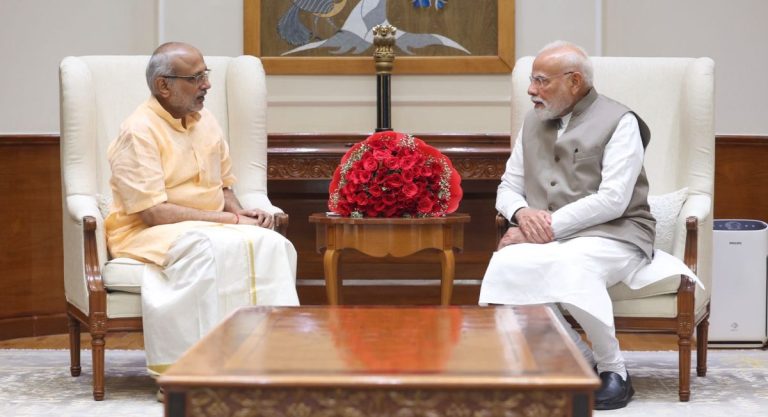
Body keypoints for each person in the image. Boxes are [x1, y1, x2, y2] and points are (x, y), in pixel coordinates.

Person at [479, 41, 657, 410]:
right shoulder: (533, 121)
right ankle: (579, 361)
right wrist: (521, 213)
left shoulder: (621, 122)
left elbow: (613, 200)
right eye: (532, 80)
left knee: (575, 262)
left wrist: (542, 229)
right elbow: (508, 186)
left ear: (574, 82)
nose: (532, 90)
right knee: (509, 264)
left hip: (617, 233)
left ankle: (614, 371)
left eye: (541, 81)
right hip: (551, 237)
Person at [105, 42, 300, 380]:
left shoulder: (205, 120)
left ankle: (270, 361)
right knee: (209, 249)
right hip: (145, 232)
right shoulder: (138, 131)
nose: (207, 85)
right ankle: (188, 372)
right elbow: (153, 213)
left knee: (274, 244)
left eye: (205, 75)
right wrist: (233, 220)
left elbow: (223, 188)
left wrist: (245, 214)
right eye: (195, 78)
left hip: (211, 225)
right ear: (163, 86)